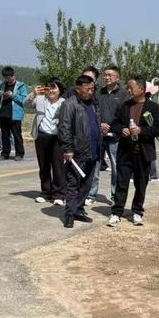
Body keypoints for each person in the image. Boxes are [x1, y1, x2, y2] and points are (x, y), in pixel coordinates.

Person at [108, 76, 159, 227]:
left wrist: (141, 130)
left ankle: (137, 211)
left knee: (141, 184)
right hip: (125, 152)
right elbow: (114, 124)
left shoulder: (153, 107)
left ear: (141, 89)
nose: (129, 90)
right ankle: (116, 212)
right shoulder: (125, 106)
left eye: (131, 87)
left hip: (143, 152)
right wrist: (122, 129)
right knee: (121, 183)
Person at [58, 73, 100, 227]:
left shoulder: (93, 103)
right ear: (78, 89)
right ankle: (69, 214)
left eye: (92, 89)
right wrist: (68, 148)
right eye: (87, 89)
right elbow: (64, 128)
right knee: (73, 184)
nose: (90, 92)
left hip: (93, 150)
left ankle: (79, 210)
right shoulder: (69, 104)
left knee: (86, 185)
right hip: (77, 152)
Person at [27, 78, 66, 206]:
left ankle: (59, 194)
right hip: (42, 136)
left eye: (54, 88)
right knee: (44, 165)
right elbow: (26, 104)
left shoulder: (64, 103)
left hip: (57, 138)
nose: (51, 91)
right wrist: (33, 93)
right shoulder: (40, 99)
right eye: (49, 88)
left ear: (60, 90)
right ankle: (45, 192)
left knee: (58, 166)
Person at [96, 65, 129, 199]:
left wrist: (111, 127)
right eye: (105, 75)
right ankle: (91, 195)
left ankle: (115, 195)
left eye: (110, 75)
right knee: (95, 166)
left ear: (118, 77)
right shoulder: (98, 93)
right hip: (99, 136)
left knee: (116, 167)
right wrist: (100, 124)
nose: (107, 77)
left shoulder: (124, 95)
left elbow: (125, 116)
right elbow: (94, 111)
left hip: (115, 137)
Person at [0, 66, 28, 160]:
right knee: (4, 135)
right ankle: (5, 153)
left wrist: (12, 95)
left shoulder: (21, 86)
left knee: (17, 135)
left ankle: (19, 153)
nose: (8, 79)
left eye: (9, 77)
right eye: (6, 77)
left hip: (15, 114)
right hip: (3, 113)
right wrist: (0, 94)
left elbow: (24, 100)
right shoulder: (2, 85)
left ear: (13, 75)